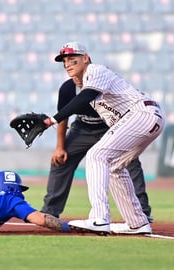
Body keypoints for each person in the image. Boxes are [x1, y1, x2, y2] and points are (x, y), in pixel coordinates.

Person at [43, 42, 165, 235]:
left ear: (86, 58)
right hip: (146, 118)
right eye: (64, 61)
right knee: (115, 166)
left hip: (143, 114)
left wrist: (51, 119)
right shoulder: (79, 86)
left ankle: (99, 218)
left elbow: (86, 96)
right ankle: (137, 223)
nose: (67, 63)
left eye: (72, 59)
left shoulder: (96, 70)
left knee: (96, 155)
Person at [40, 77, 153, 223]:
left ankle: (142, 212)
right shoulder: (67, 88)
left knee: (129, 162)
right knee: (60, 159)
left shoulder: (105, 84)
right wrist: (60, 147)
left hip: (112, 127)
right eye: (68, 67)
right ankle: (50, 211)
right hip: (82, 128)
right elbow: (63, 116)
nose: (75, 76)